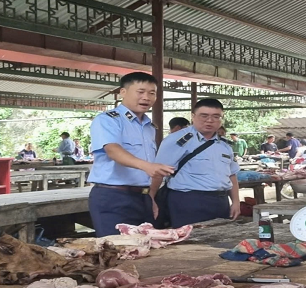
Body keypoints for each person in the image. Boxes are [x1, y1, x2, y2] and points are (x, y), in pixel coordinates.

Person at [88, 72, 174, 236]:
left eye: (152, 93)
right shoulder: (108, 120)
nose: (146, 97)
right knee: (116, 251)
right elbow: (112, 150)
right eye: (140, 92)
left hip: (143, 197)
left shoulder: (149, 127)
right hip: (113, 197)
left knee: (145, 249)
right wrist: (146, 166)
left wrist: (151, 198)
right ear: (123, 92)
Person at [150, 99, 241, 228]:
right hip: (188, 201)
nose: (210, 120)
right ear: (193, 116)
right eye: (204, 116)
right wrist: (151, 199)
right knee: (189, 244)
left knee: (221, 243)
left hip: (220, 201)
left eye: (216, 117)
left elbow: (232, 175)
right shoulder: (176, 140)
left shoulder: (224, 145)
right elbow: (158, 172)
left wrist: (236, 202)